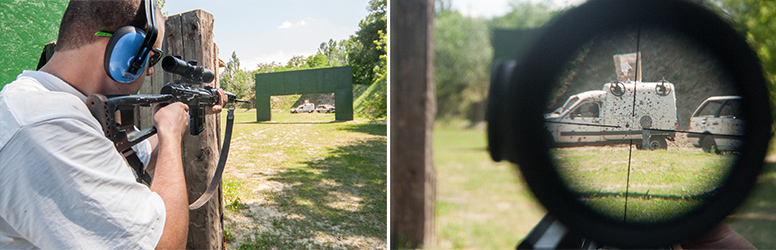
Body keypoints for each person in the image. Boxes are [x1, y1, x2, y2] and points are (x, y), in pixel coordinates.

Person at [0, 0, 226, 248]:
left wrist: (187, 114)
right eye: (151, 58)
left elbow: (142, 152)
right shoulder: (45, 123)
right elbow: (163, 245)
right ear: (126, 51)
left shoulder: (66, 105)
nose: (150, 72)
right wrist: (170, 134)